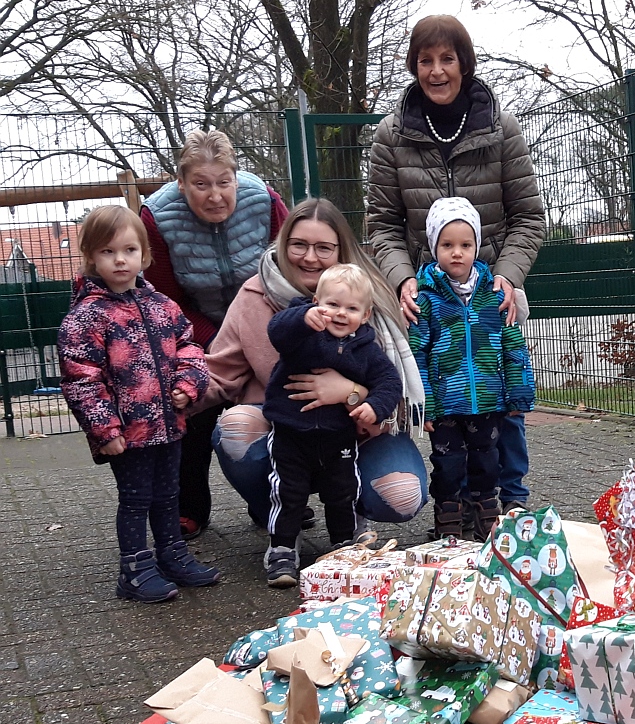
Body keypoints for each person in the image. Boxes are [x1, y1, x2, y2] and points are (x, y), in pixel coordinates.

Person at [367, 14, 545, 516]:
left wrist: (507, 277)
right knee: (442, 399)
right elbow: (381, 223)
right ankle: (453, 501)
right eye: (426, 60)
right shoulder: (391, 136)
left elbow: (528, 217)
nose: (437, 71)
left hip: (494, 289)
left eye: (447, 59)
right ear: (414, 66)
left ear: (464, 64)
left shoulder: (501, 129)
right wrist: (402, 281)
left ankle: (510, 502)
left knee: (502, 399)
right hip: (427, 297)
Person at [194, 197, 427, 544]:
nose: (310, 257)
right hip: (288, 429)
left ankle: (350, 519)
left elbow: (394, 385)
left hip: (357, 430)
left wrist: (350, 391)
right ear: (283, 242)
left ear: (340, 250)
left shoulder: (370, 297)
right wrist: (175, 398)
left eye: (323, 248)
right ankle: (275, 510)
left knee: (401, 495)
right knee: (234, 428)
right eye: (299, 245)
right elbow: (220, 372)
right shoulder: (255, 295)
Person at [57, 207, 221, 603]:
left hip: (169, 424)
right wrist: (105, 430)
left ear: (144, 255)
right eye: (108, 251)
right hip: (127, 434)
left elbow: (190, 348)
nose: (119, 259)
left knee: (169, 495)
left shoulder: (162, 306)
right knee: (135, 499)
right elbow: (81, 379)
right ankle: (133, 568)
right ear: (91, 257)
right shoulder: (85, 317)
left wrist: (188, 385)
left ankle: (172, 556)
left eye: (129, 249)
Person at [141, 129, 288, 539]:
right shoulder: (157, 217)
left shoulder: (265, 202)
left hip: (266, 321)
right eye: (201, 184)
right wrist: (216, 339)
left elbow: (289, 268)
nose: (215, 196)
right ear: (181, 182)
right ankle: (189, 509)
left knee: (271, 409)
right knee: (193, 406)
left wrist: (263, 331)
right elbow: (163, 297)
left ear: (237, 178)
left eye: (224, 182)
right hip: (196, 331)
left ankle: (272, 501)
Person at [261, 264, 404, 586]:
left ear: (365, 315)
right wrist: (301, 318)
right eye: (333, 305)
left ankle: (342, 544)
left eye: (351, 308)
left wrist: (373, 406)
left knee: (342, 492)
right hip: (291, 433)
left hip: (338, 435)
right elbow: (276, 332)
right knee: (287, 492)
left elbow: (389, 382)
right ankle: (281, 549)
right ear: (315, 302)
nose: (340, 314)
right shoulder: (302, 333)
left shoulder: (367, 349)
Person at [410, 197, 535, 540]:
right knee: (447, 465)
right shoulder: (426, 299)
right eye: (447, 244)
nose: (457, 253)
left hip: (488, 402)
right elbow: (417, 353)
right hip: (446, 404)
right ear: (434, 246)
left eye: (466, 245)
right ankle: (448, 516)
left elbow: (513, 345)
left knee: (486, 462)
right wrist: (424, 405)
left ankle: (486, 517)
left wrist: (518, 392)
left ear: (477, 247)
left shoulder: (494, 294)